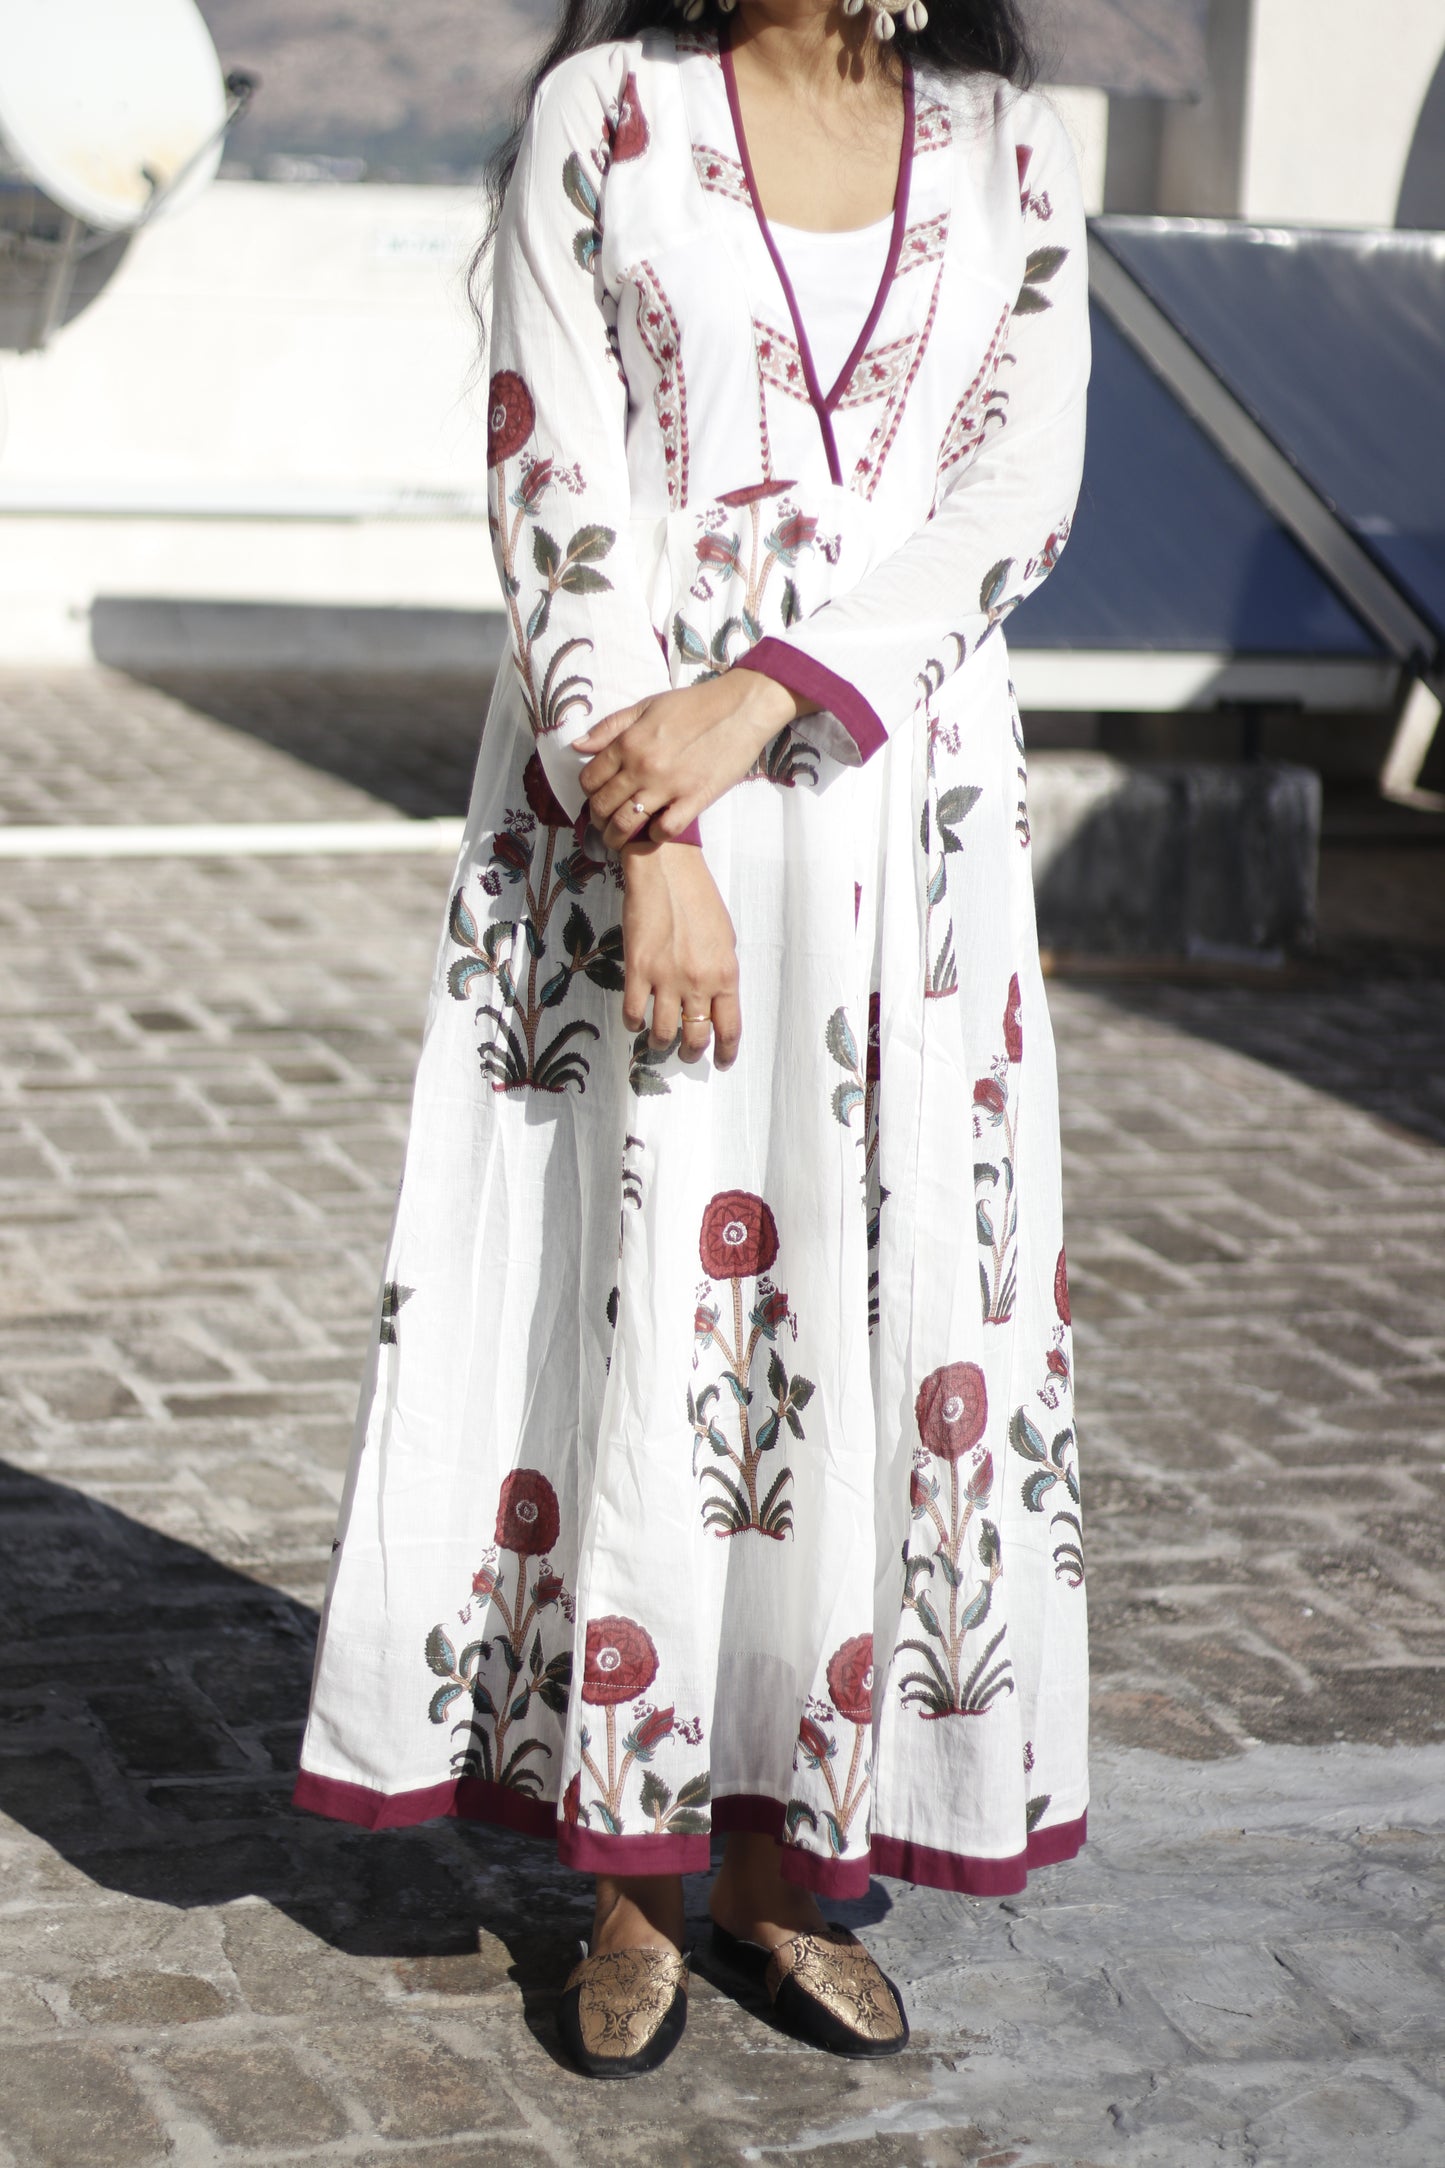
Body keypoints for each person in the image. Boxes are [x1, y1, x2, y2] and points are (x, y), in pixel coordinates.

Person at [295, 0, 1090, 2079]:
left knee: (855, 1293)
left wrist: (768, 696)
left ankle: (775, 1860)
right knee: (651, 1300)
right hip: (634, 815)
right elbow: (554, 489)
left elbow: (1019, 490)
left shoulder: (1009, 147)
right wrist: (660, 829)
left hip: (905, 850)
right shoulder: (609, 116)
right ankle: (627, 1871)